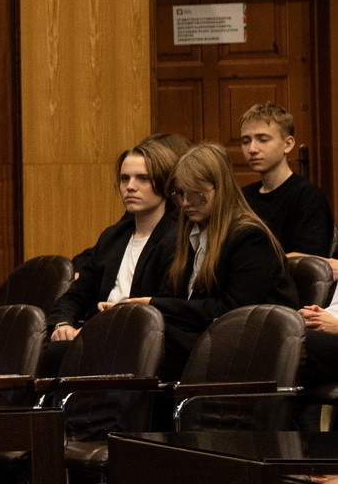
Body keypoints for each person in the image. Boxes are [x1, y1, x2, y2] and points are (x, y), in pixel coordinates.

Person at [117, 142, 295, 379]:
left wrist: (155, 304)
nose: (186, 203)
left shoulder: (249, 237)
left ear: (219, 190)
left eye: (196, 194)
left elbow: (234, 311)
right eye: (180, 194)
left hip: (251, 344)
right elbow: (179, 298)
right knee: (135, 328)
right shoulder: (191, 233)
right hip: (207, 335)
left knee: (149, 339)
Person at [47, 137, 184, 343]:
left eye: (143, 178)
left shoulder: (176, 239)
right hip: (97, 337)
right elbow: (75, 296)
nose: (130, 186)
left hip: (140, 341)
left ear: (165, 183)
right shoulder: (113, 237)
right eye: (124, 178)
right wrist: (63, 324)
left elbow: (168, 308)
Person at [238, 103, 335, 260]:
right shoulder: (242, 197)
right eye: (245, 141)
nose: (252, 149)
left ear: (288, 144)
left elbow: (309, 260)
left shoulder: (307, 196)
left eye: (263, 139)